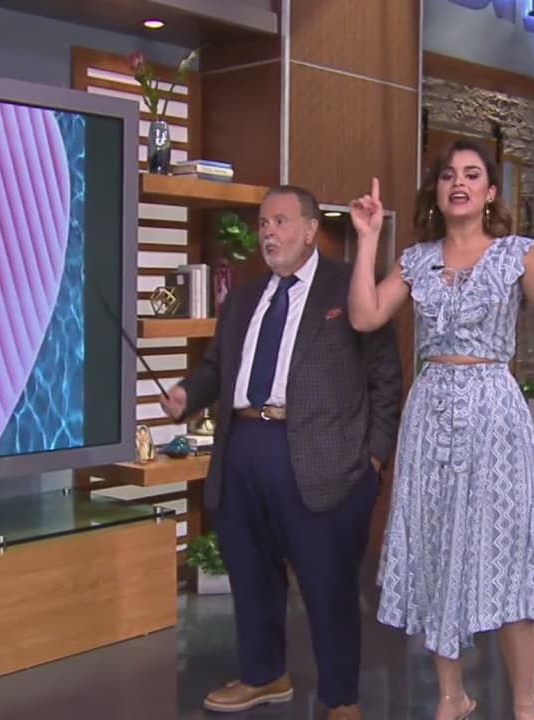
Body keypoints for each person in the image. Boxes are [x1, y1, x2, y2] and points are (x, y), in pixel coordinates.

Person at [346, 139, 534, 720]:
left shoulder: (518, 253)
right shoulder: (417, 259)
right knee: (436, 545)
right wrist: (368, 239)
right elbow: (365, 315)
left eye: (473, 175)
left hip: (495, 413)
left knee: (510, 550)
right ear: (437, 190)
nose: (459, 183)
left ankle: (524, 703)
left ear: (490, 192)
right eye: (449, 174)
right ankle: (451, 695)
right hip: (430, 412)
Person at [159, 184, 402, 720]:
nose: (269, 233)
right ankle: (263, 674)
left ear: (311, 230)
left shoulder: (349, 287)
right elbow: (217, 369)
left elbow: (386, 380)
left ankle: (340, 698)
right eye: (264, 223)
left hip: (323, 457)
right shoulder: (244, 299)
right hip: (244, 448)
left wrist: (374, 463)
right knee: (251, 574)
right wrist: (187, 394)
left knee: (327, 583)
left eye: (281, 221)